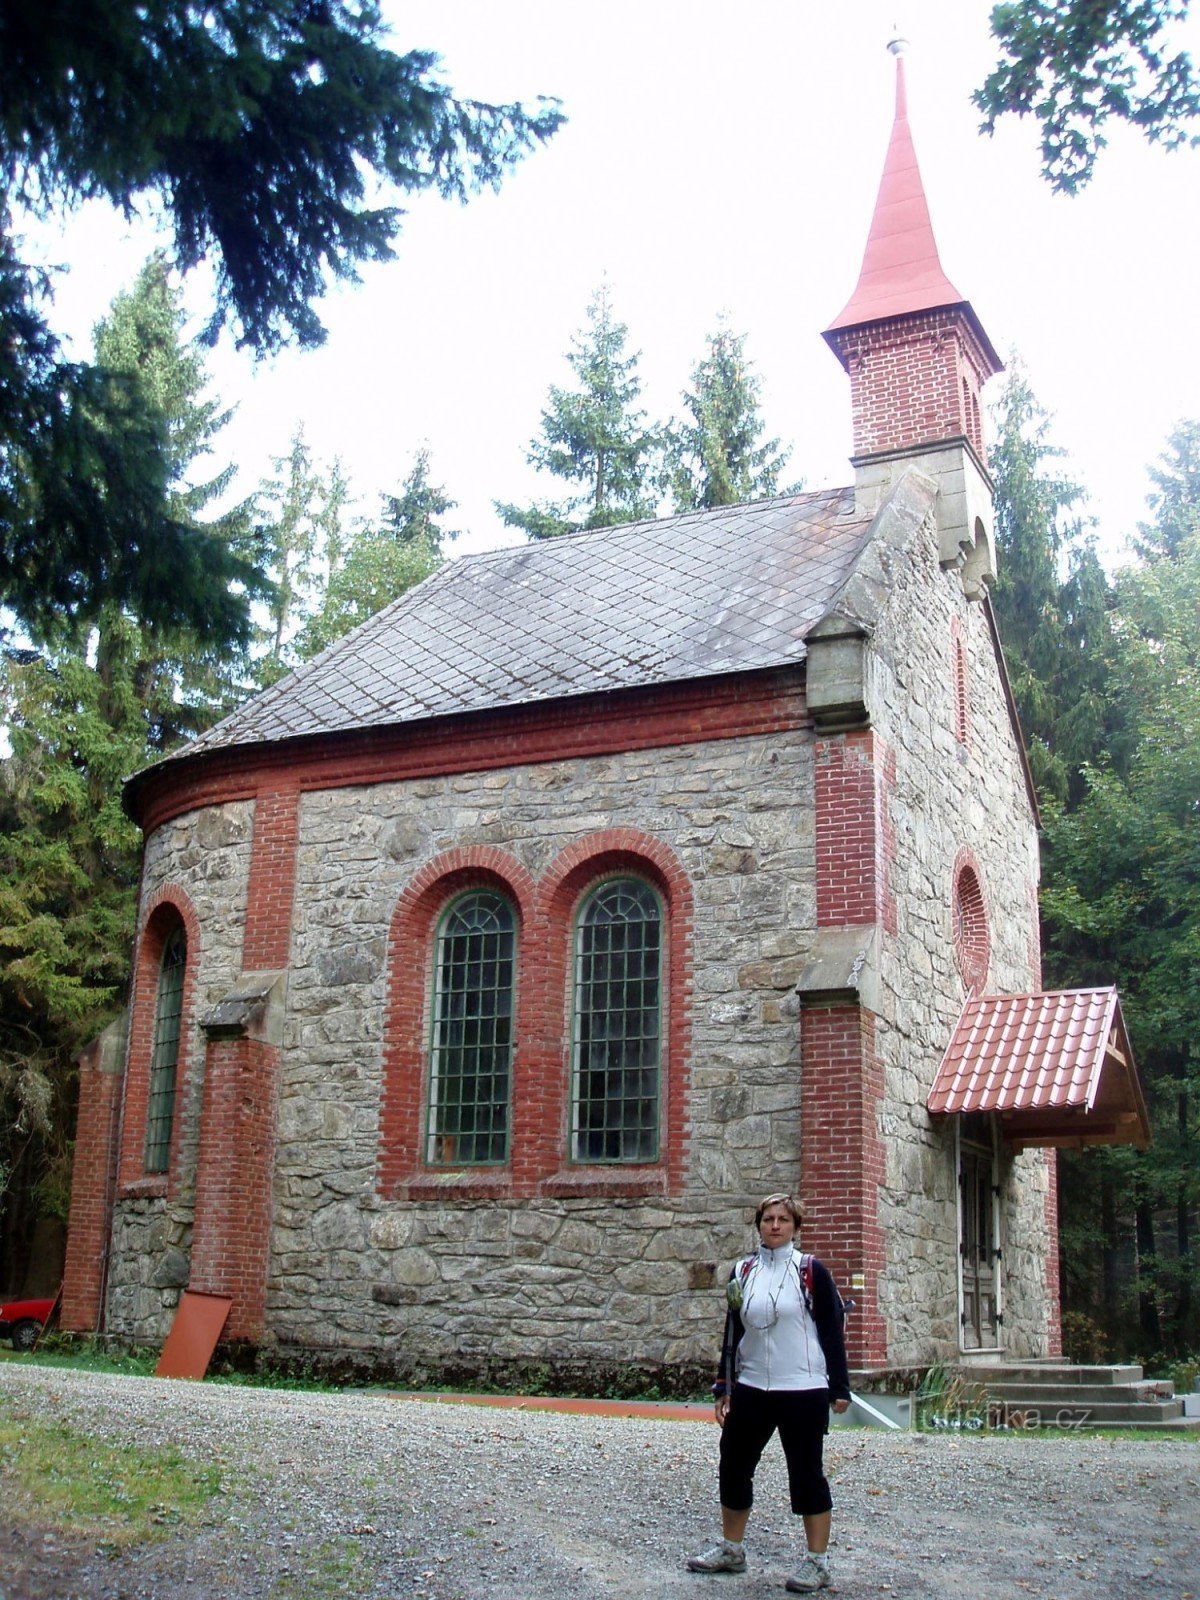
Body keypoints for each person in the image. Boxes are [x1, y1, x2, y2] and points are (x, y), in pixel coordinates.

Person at [686, 1193, 851, 1593]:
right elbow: (732, 1332)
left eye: (783, 1220)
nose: (774, 1226)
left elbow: (831, 1329)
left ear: (796, 1227)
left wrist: (839, 1386)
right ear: (758, 1225)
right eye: (767, 1220)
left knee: (806, 1472)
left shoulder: (811, 1271)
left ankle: (817, 1561)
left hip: (803, 1387)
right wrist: (724, 1385)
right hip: (753, 1387)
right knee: (734, 1465)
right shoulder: (742, 1271)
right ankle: (732, 1549)